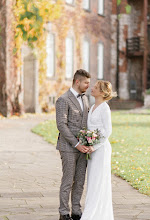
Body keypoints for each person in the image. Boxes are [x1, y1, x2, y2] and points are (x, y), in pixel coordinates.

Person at [56, 69, 91, 220]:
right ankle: (64, 213)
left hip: (83, 148)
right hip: (68, 147)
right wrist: (76, 144)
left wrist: (88, 143)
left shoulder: (85, 98)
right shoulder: (63, 100)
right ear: (77, 82)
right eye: (86, 83)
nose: (88, 85)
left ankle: (76, 211)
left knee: (80, 180)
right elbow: (61, 125)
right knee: (68, 180)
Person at [80, 80, 117, 220]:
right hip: (92, 150)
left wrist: (93, 146)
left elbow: (107, 131)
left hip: (101, 150)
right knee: (92, 181)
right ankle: (95, 213)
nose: (92, 88)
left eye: (95, 87)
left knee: (98, 180)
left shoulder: (104, 108)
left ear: (102, 92)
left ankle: (92, 215)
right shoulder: (93, 106)